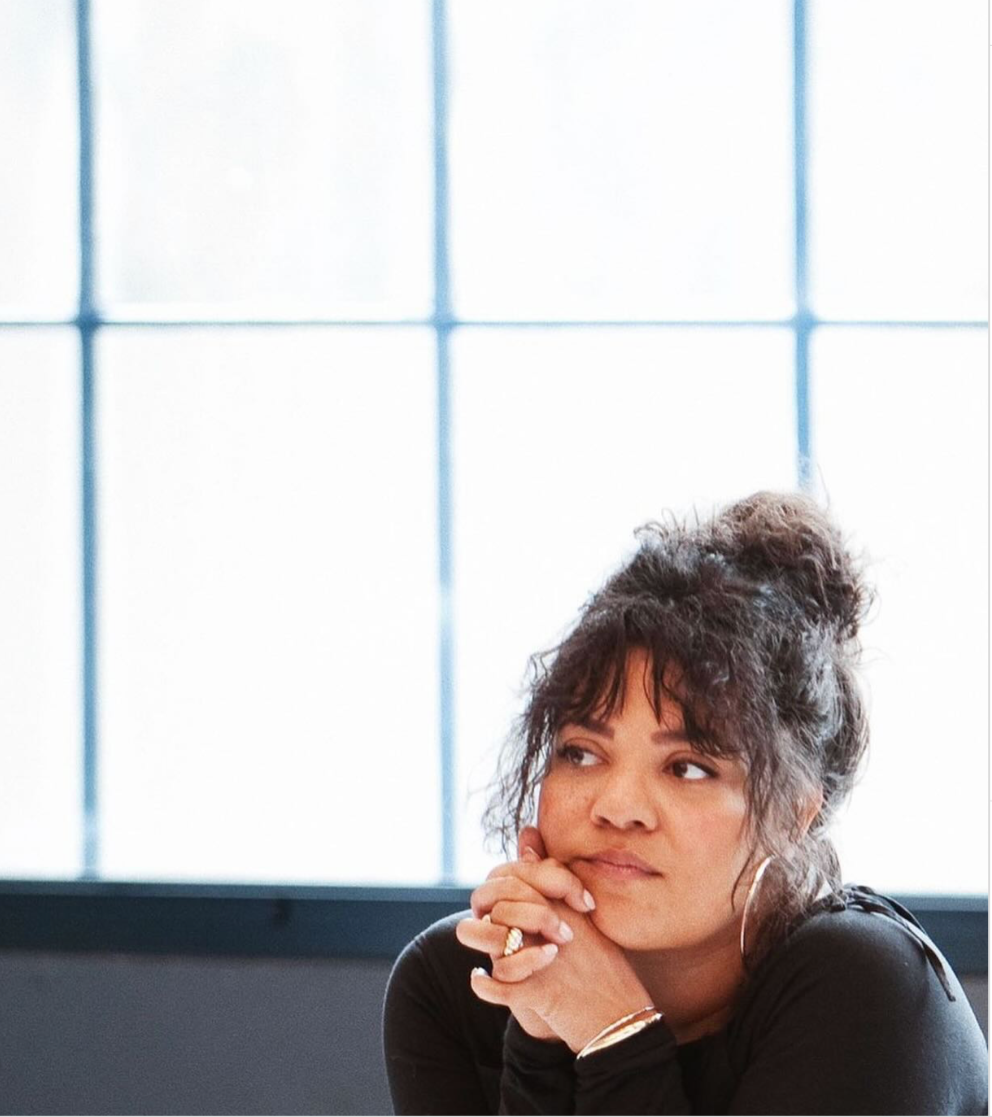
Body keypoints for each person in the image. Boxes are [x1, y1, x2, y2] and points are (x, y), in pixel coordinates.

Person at [383, 491, 988, 1115]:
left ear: (795, 815)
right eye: (582, 753)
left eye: (688, 768)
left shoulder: (867, 988)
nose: (618, 807)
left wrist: (610, 1033)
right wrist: (540, 1038)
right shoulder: (459, 985)